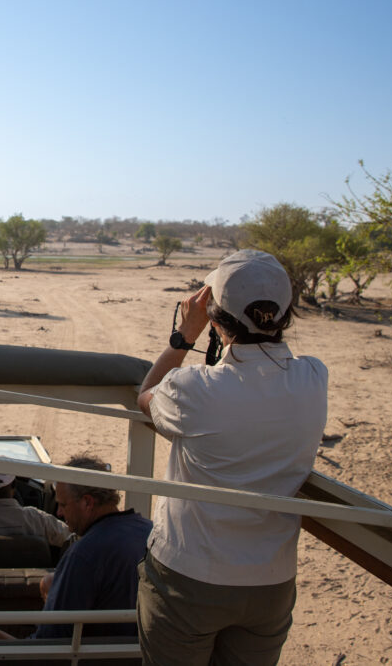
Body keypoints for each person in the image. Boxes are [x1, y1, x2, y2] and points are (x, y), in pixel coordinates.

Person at [135, 249, 328, 666]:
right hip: (271, 581)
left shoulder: (193, 389)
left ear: (215, 319)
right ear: (284, 314)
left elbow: (146, 397)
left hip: (188, 577)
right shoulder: (314, 377)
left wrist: (183, 337)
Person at [0, 454, 153, 640]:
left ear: (87, 502)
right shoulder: (149, 531)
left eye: (62, 504)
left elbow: (50, 643)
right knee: (49, 582)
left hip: (91, 657)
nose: (59, 512)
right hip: (140, 650)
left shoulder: (84, 554)